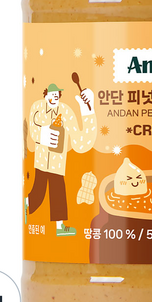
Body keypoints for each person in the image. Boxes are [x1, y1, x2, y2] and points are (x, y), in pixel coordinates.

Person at [25, 83, 97, 235]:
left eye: (57, 95)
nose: (55, 98)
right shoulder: (37, 107)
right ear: (46, 95)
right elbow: (32, 130)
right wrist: (43, 135)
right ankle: (27, 203)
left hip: (57, 163)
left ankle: (60, 227)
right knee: (39, 193)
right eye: (52, 95)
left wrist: (87, 111)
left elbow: (80, 143)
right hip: (41, 161)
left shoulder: (65, 111)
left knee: (58, 192)